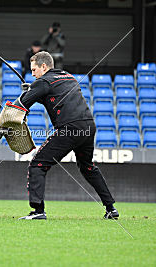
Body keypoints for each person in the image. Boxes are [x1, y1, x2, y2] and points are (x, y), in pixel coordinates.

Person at [16, 51, 118, 220]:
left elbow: (23, 104)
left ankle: (38, 211)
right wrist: (34, 90)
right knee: (88, 167)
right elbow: (53, 97)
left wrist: (29, 92)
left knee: (37, 164)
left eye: (34, 70)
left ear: (44, 66)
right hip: (88, 126)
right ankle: (111, 208)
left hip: (69, 128)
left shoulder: (43, 81)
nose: (32, 73)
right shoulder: (68, 77)